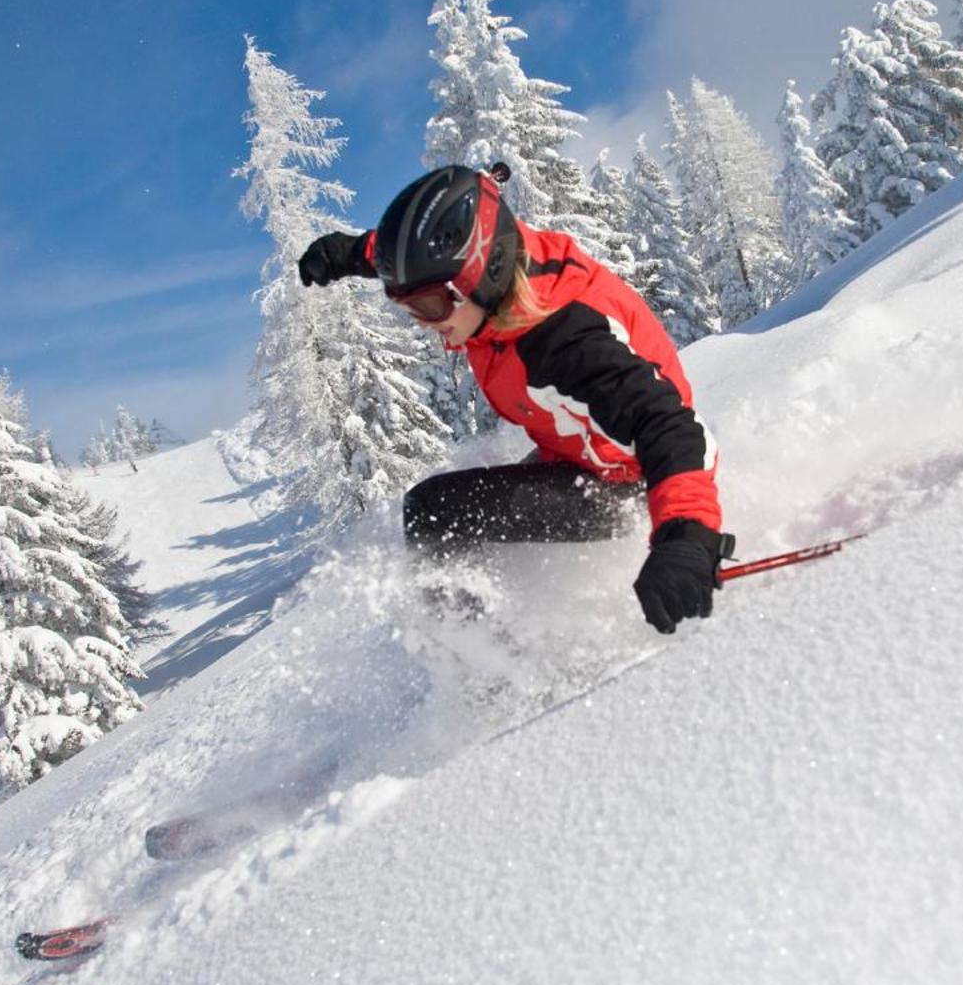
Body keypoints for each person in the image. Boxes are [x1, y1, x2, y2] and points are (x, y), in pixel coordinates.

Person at [297, 162, 733, 634]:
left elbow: (670, 425)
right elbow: (427, 252)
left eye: (426, 306)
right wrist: (348, 255)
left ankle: (481, 674)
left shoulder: (563, 340)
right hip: (577, 454)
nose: (421, 322)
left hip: (625, 485)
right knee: (472, 517)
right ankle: (503, 628)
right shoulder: (497, 275)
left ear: (478, 277)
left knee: (434, 512)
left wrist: (686, 537)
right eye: (402, 304)